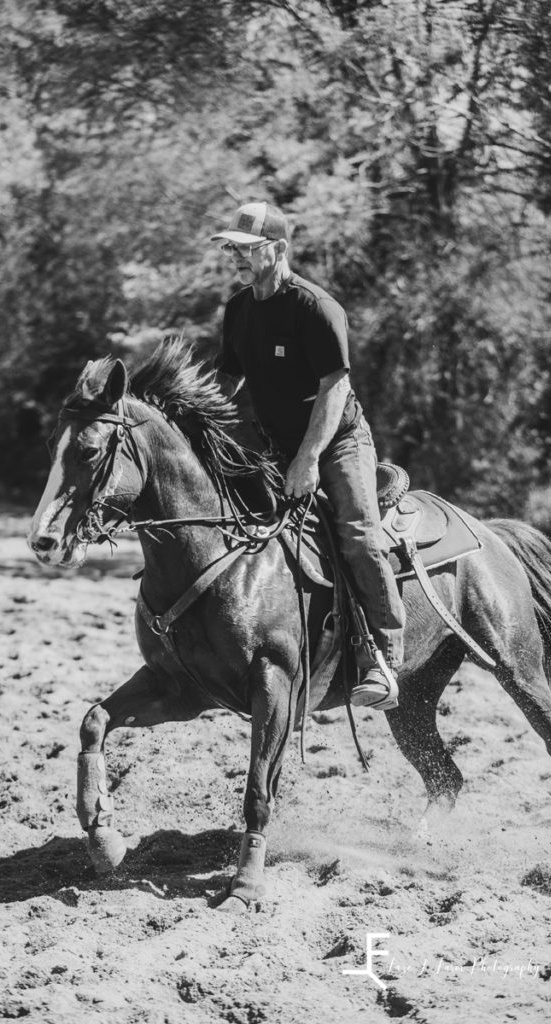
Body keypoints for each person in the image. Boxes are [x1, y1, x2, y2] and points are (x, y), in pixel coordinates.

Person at [211, 201, 404, 710]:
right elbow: (227, 381)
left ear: (278, 249)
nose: (237, 258)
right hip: (274, 444)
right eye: (233, 248)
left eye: (247, 249)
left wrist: (309, 458)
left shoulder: (317, 307)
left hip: (337, 441)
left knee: (359, 534)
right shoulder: (239, 309)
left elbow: (334, 385)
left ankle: (384, 654)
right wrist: (193, 423)